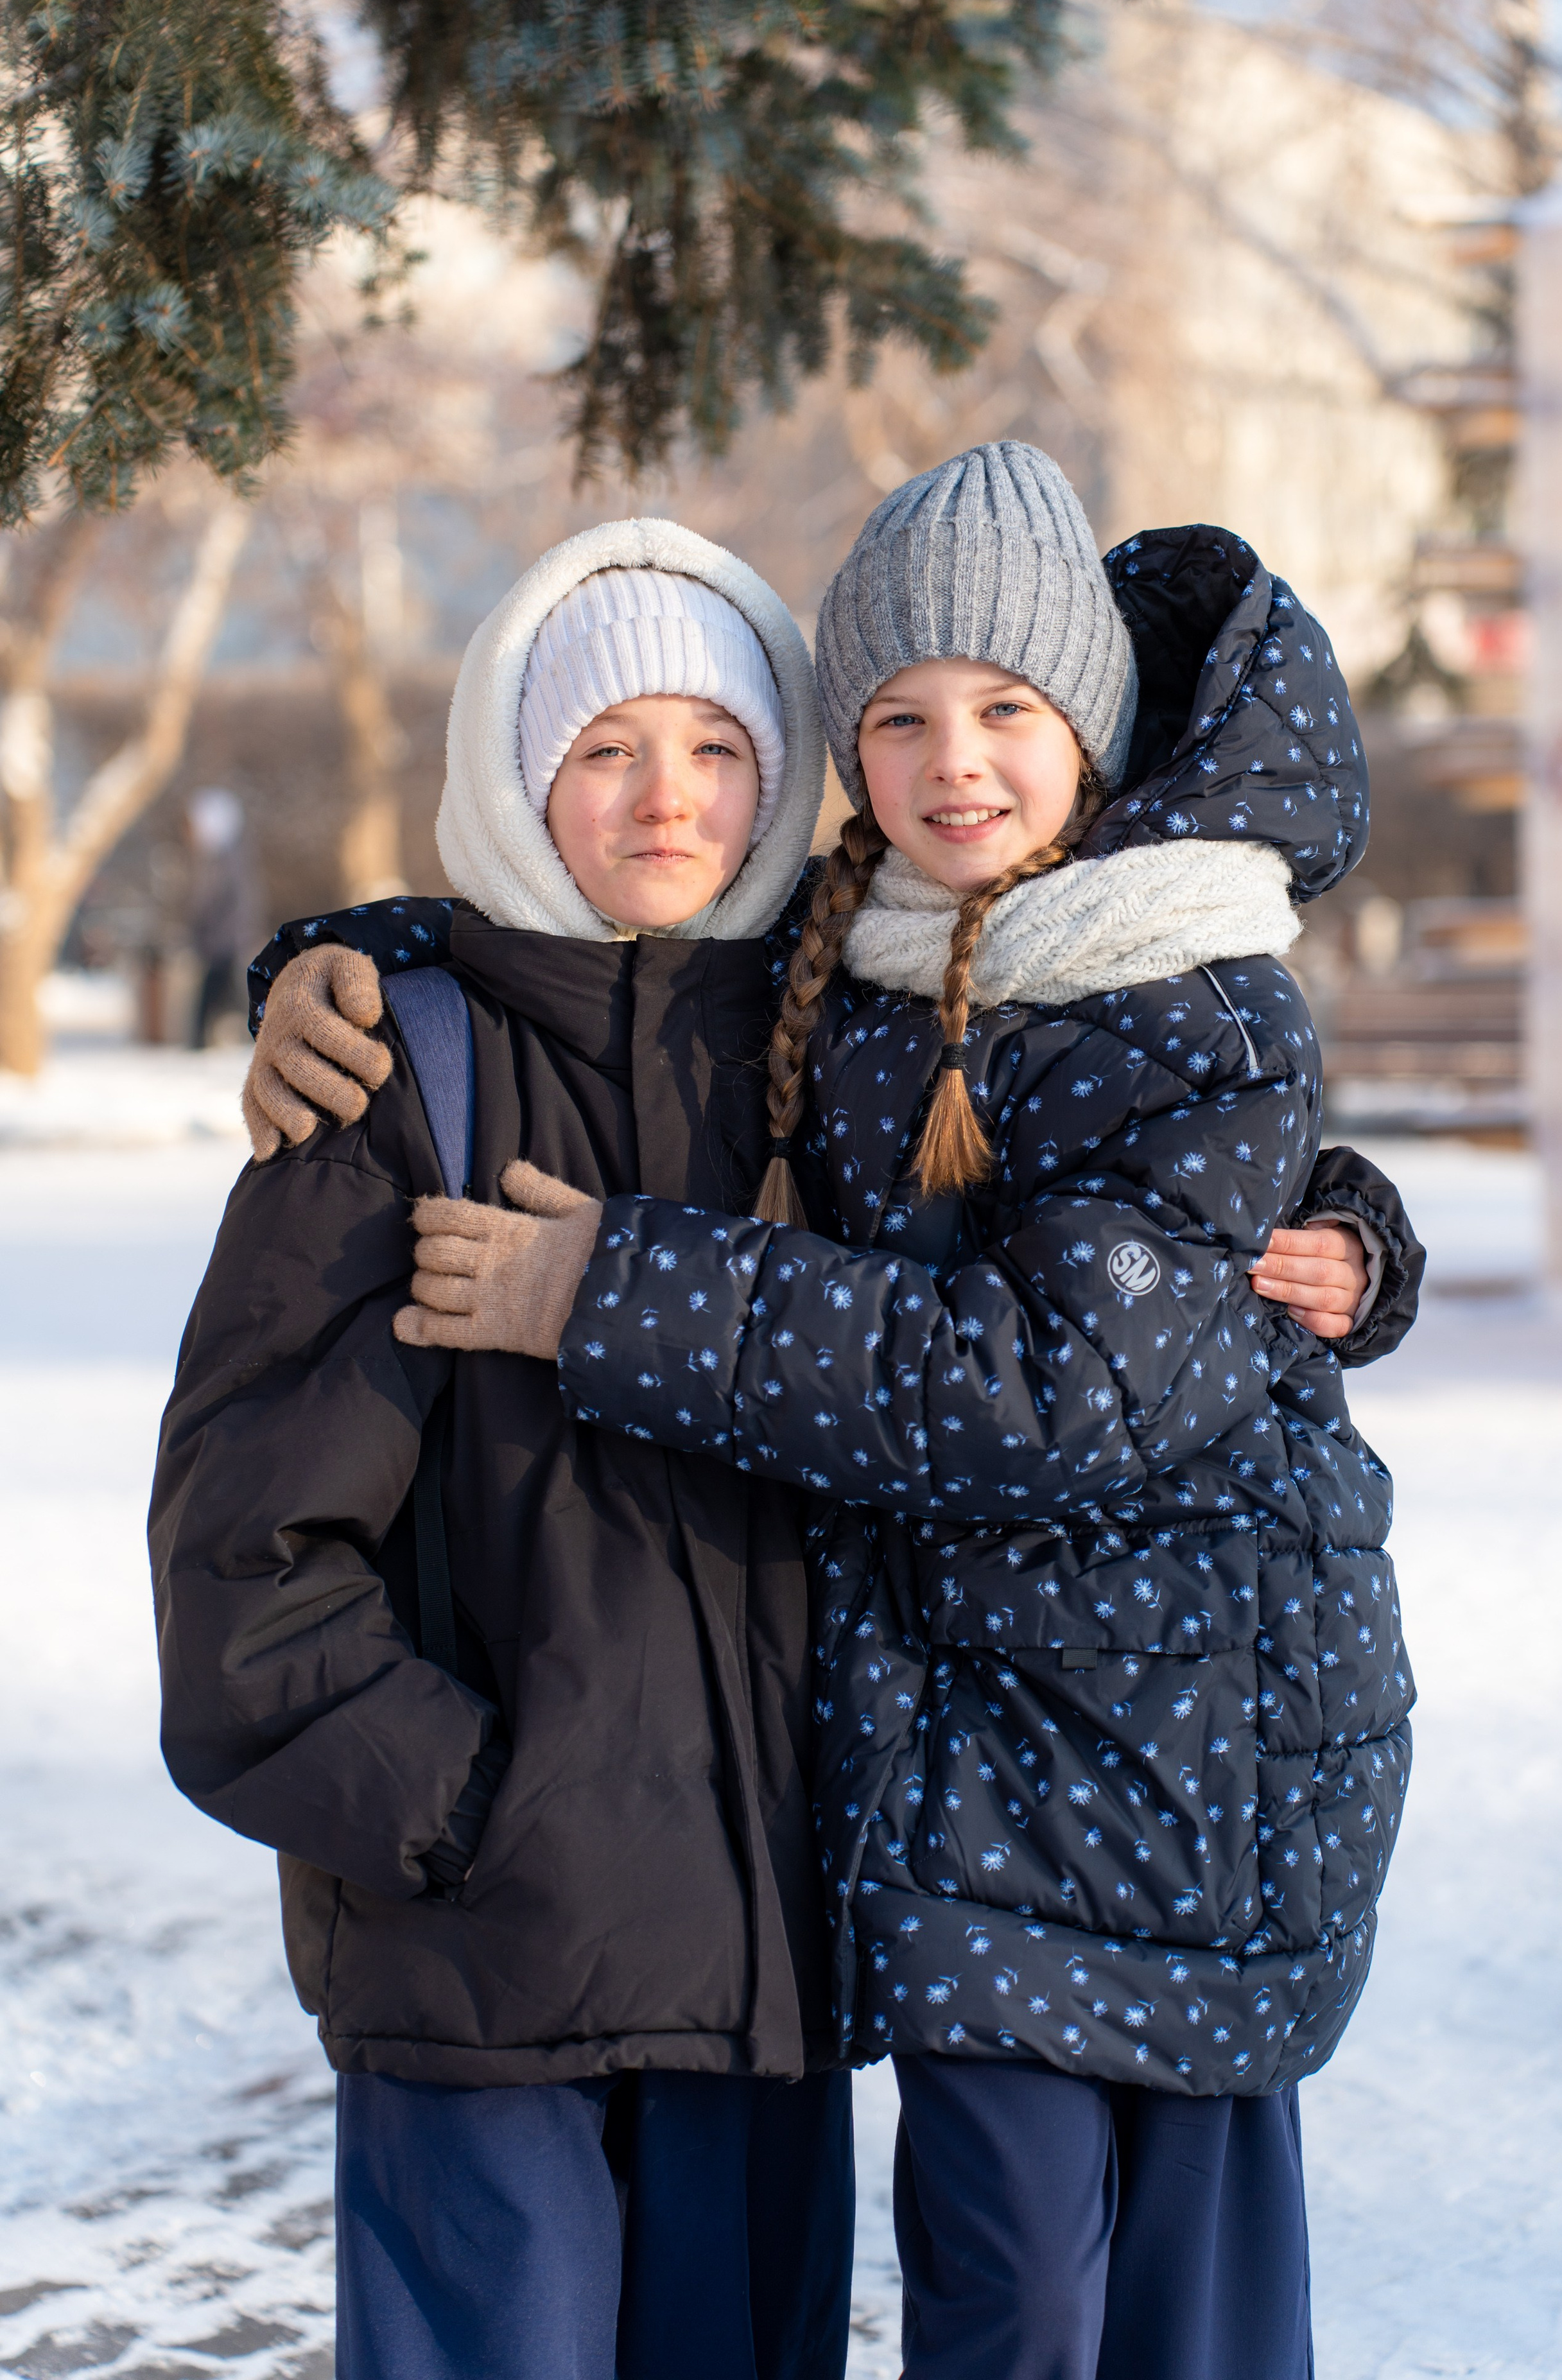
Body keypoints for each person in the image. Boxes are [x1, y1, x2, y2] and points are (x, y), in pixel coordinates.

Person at [239, 452, 1424, 2380]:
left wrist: (605, 1286)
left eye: (1007, 709)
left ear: (1092, 732)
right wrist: (312, 961)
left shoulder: (1154, 972)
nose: (953, 760)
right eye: (896, 717)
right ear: (850, 762)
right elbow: (544, 944)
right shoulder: (835, 969)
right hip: (865, 1805)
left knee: (1139, 2303)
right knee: (1005, 2287)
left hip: (1172, 1756)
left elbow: (1070, 1345)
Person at [151, 523, 855, 2380]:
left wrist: (1343, 1210)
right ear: (520, 768)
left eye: (714, 747)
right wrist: (468, 1811)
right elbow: (245, 1566)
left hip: (770, 1998)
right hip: (483, 1981)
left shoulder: (835, 1068)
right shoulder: (393, 1074)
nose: (667, 797)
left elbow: (1096, 1188)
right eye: (607, 746)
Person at [184, 786, 263, 1048]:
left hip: (224, 940)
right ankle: (206, 1039)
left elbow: (213, 901)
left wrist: (201, 929)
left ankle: (203, 1040)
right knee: (223, 991)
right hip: (225, 939)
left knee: (221, 992)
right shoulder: (229, 857)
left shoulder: (224, 861)